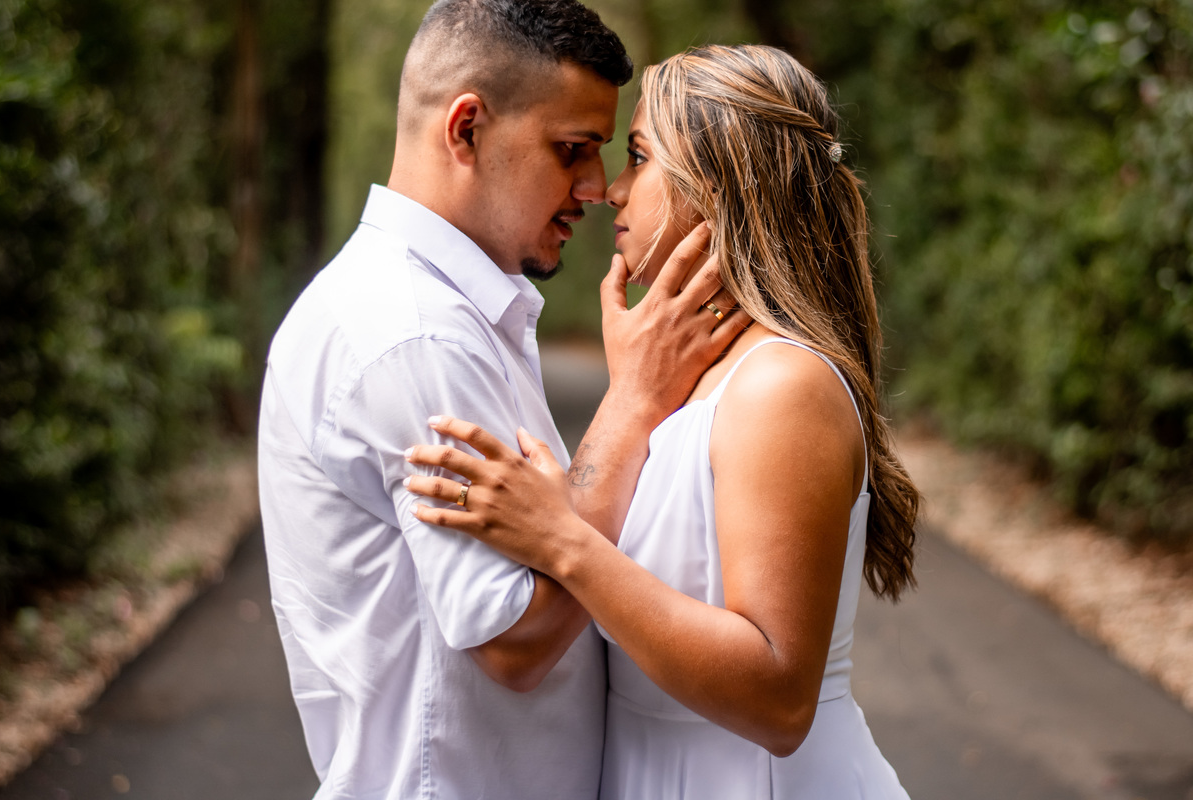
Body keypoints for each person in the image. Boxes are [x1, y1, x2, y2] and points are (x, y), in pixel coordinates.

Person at [403, 44, 921, 798]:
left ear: (719, 184)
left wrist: (564, 541)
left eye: (639, 158)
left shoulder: (782, 384)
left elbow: (779, 701)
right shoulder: (683, 375)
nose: (613, 190)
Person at [257, 3, 746, 799]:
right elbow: (516, 641)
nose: (595, 188)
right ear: (466, 130)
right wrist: (632, 404)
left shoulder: (438, 311)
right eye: (572, 150)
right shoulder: (417, 338)